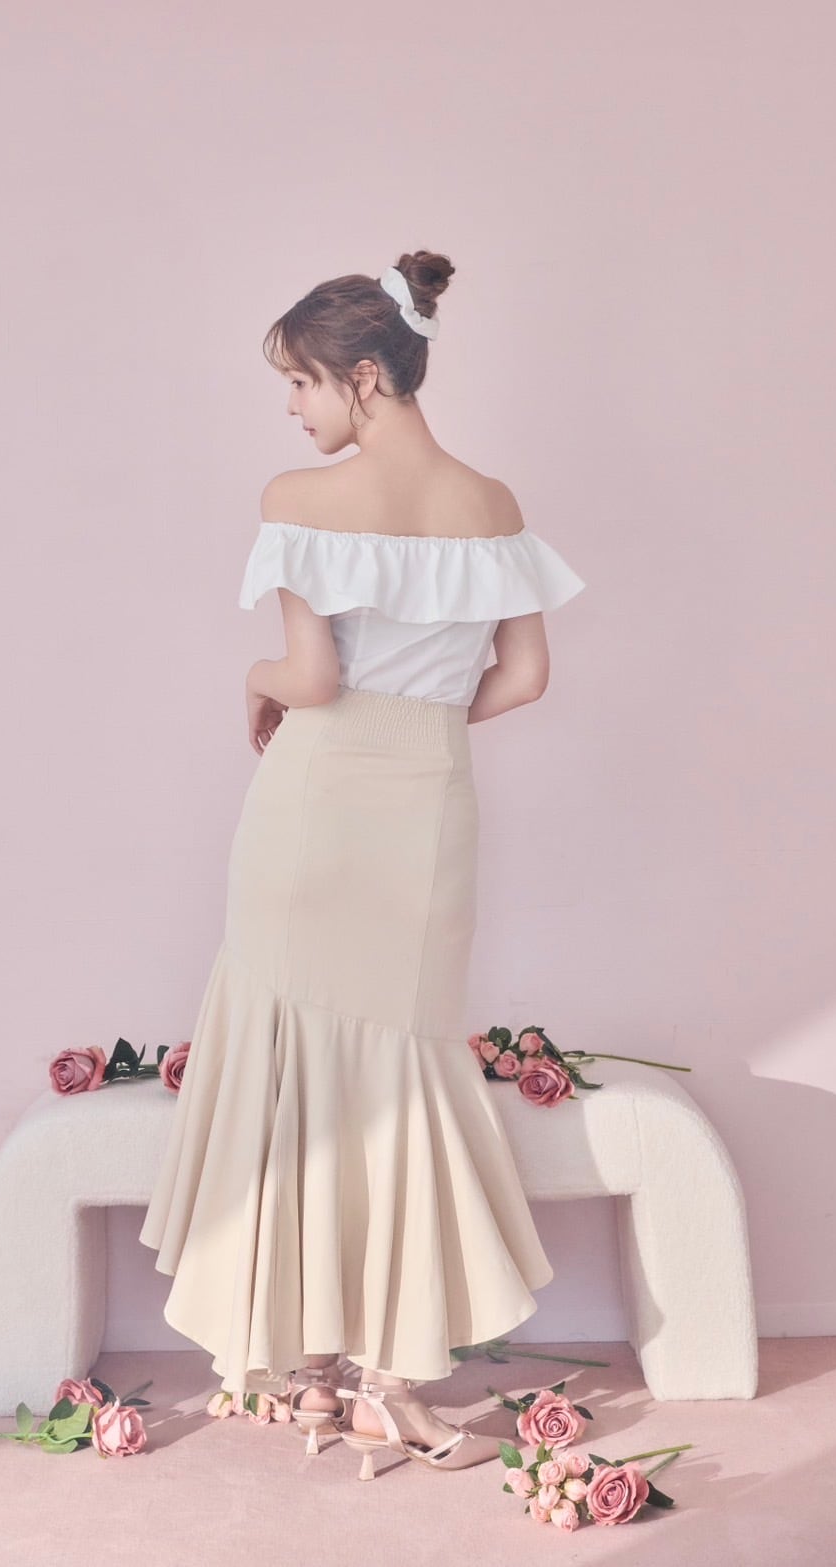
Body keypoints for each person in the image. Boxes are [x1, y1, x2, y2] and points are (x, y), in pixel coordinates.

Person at [138, 249, 587, 1480]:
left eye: (300, 382)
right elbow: (525, 678)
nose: (292, 408)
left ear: (365, 378)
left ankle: (314, 1375)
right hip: (429, 804)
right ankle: (386, 1384)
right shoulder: (491, 501)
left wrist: (252, 679)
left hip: (313, 801)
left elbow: (312, 677)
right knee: (403, 1065)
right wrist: (424, 725)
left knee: (295, 1066)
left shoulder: (300, 495)